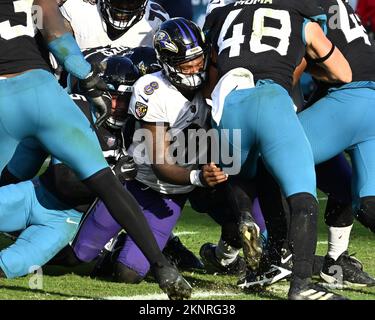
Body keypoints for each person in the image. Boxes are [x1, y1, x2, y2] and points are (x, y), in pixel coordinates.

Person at [0, 0, 191, 300]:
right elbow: (66, 180)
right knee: (28, 157)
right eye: (114, 96)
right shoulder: (74, 109)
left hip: (68, 221)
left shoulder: (141, 121)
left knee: (16, 264)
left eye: (126, 100)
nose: (118, 106)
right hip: (37, 194)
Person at [50, 18, 228, 284]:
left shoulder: (212, 83)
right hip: (134, 185)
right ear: (167, 63)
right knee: (78, 258)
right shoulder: (152, 89)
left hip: (169, 199)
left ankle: (127, 248)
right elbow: (160, 163)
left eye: (198, 60)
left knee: (128, 275)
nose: (193, 68)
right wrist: (198, 178)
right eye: (184, 63)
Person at [204, 0, 352, 300]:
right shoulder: (301, 15)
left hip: (229, 103)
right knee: (303, 199)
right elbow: (343, 73)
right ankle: (301, 285)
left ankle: (245, 214)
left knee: (242, 173)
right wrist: (306, 59)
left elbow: (210, 85)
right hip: (272, 99)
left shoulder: (223, 15)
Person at [60, 0, 169, 49]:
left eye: (131, 2)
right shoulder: (76, 7)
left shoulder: (157, 20)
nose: (123, 9)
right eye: (118, 1)